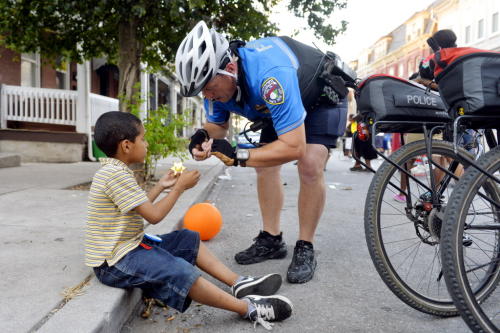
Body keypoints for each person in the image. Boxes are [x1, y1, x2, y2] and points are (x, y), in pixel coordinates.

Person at [175, 21, 351, 284]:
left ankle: (305, 245)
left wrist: (236, 156)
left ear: (230, 68)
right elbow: (218, 127)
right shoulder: (217, 84)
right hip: (278, 105)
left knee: (310, 163)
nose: (208, 96)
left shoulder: (270, 76)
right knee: (265, 164)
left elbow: (294, 146)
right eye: (203, 92)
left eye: (209, 88)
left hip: (321, 98)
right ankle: (271, 239)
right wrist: (203, 135)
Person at [85, 111, 293, 329]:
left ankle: (238, 283)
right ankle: (248, 309)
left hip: (129, 247)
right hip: (114, 263)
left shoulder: (114, 171)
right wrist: (179, 188)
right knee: (179, 271)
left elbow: (138, 207)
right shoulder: (115, 175)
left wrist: (162, 186)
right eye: (143, 139)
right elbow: (154, 216)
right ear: (126, 146)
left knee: (187, 238)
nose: (146, 144)